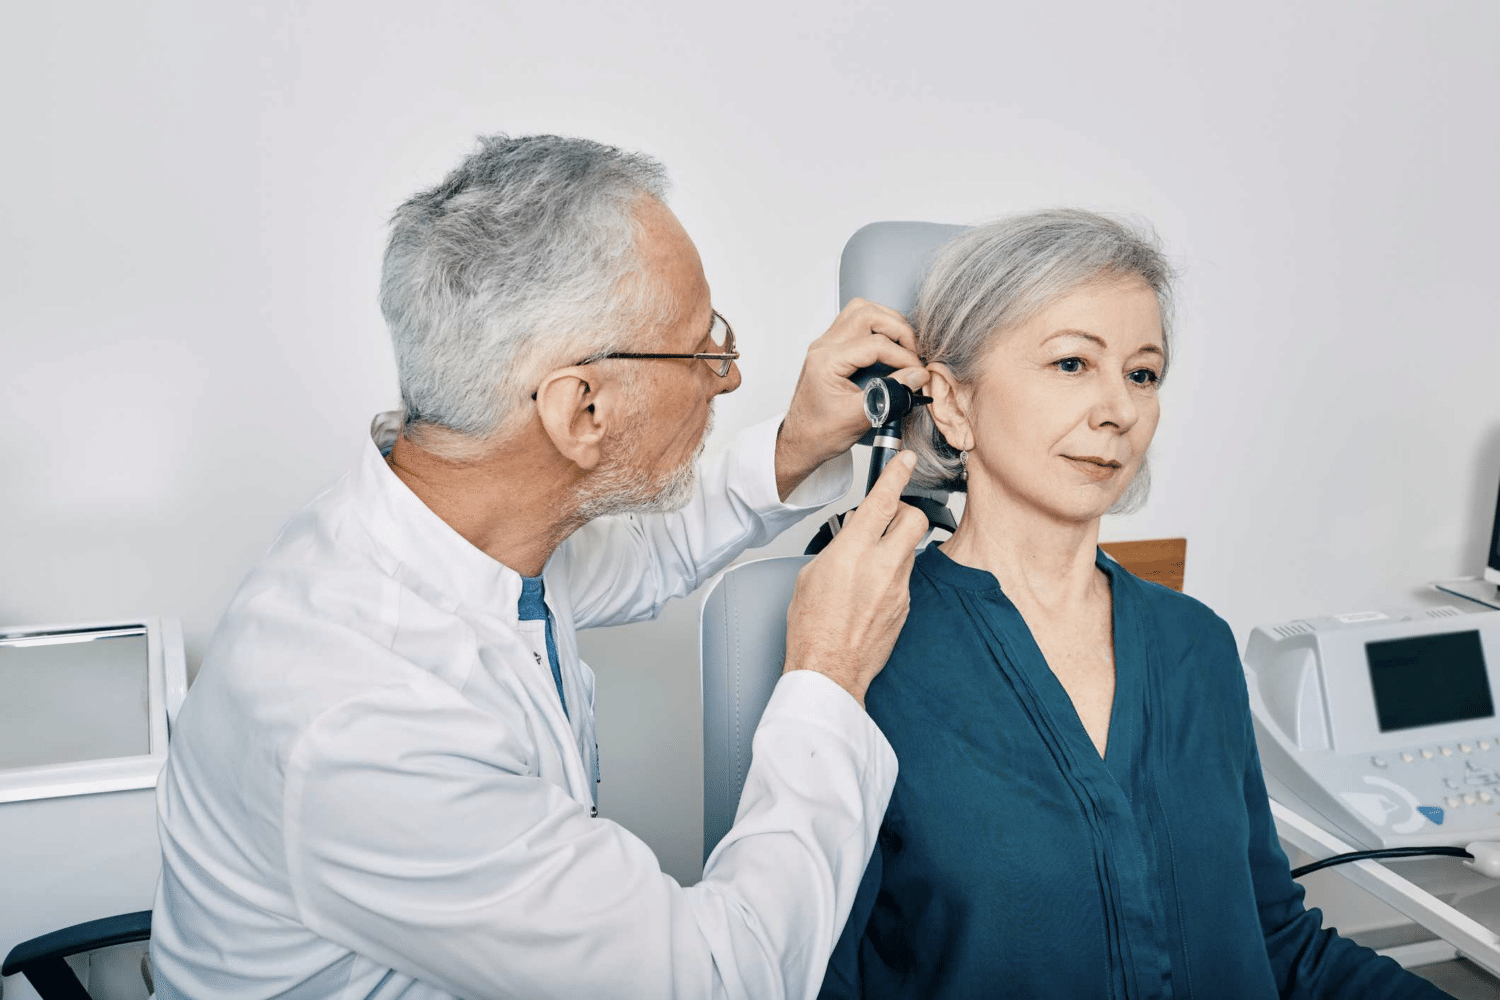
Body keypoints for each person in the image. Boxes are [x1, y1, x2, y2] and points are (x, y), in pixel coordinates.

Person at [149, 134, 934, 1000]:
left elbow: (645, 551)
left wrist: (794, 445)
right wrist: (827, 671)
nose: (730, 376)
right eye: (701, 348)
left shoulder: (447, 527)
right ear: (580, 408)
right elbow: (719, 980)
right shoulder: (365, 719)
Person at [819, 210, 1453, 999]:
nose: (1118, 408)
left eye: (1142, 374)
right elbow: (817, 975)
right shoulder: (864, 651)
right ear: (952, 403)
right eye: (1073, 364)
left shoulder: (1197, 646)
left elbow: (1278, 943)